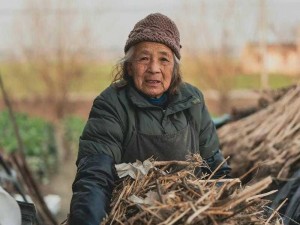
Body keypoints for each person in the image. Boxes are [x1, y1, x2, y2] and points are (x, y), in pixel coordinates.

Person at [69, 13, 231, 225]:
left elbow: (216, 171)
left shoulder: (193, 102)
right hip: (129, 216)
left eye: (164, 59)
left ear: (174, 68)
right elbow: (94, 179)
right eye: (144, 58)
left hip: (187, 215)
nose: (154, 68)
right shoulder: (111, 105)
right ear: (129, 66)